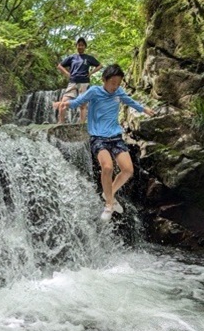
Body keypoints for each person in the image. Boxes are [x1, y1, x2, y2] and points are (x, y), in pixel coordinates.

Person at [55, 64, 155, 222]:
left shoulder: (119, 93)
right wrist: (66, 104)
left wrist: (144, 109)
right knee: (107, 167)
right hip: (98, 137)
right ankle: (109, 204)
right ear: (104, 80)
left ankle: (108, 192)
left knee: (128, 170)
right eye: (112, 83)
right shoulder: (95, 91)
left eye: (118, 83)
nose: (115, 86)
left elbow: (130, 101)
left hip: (115, 136)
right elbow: (79, 101)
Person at [57, 37, 102, 124]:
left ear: (85, 47)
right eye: (79, 45)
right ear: (76, 46)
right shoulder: (72, 57)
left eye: (82, 45)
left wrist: (91, 73)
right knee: (63, 102)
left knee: (83, 105)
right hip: (72, 82)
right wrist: (67, 74)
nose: (80, 47)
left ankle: (81, 124)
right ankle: (60, 123)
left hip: (84, 82)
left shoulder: (88, 58)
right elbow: (59, 66)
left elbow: (100, 65)